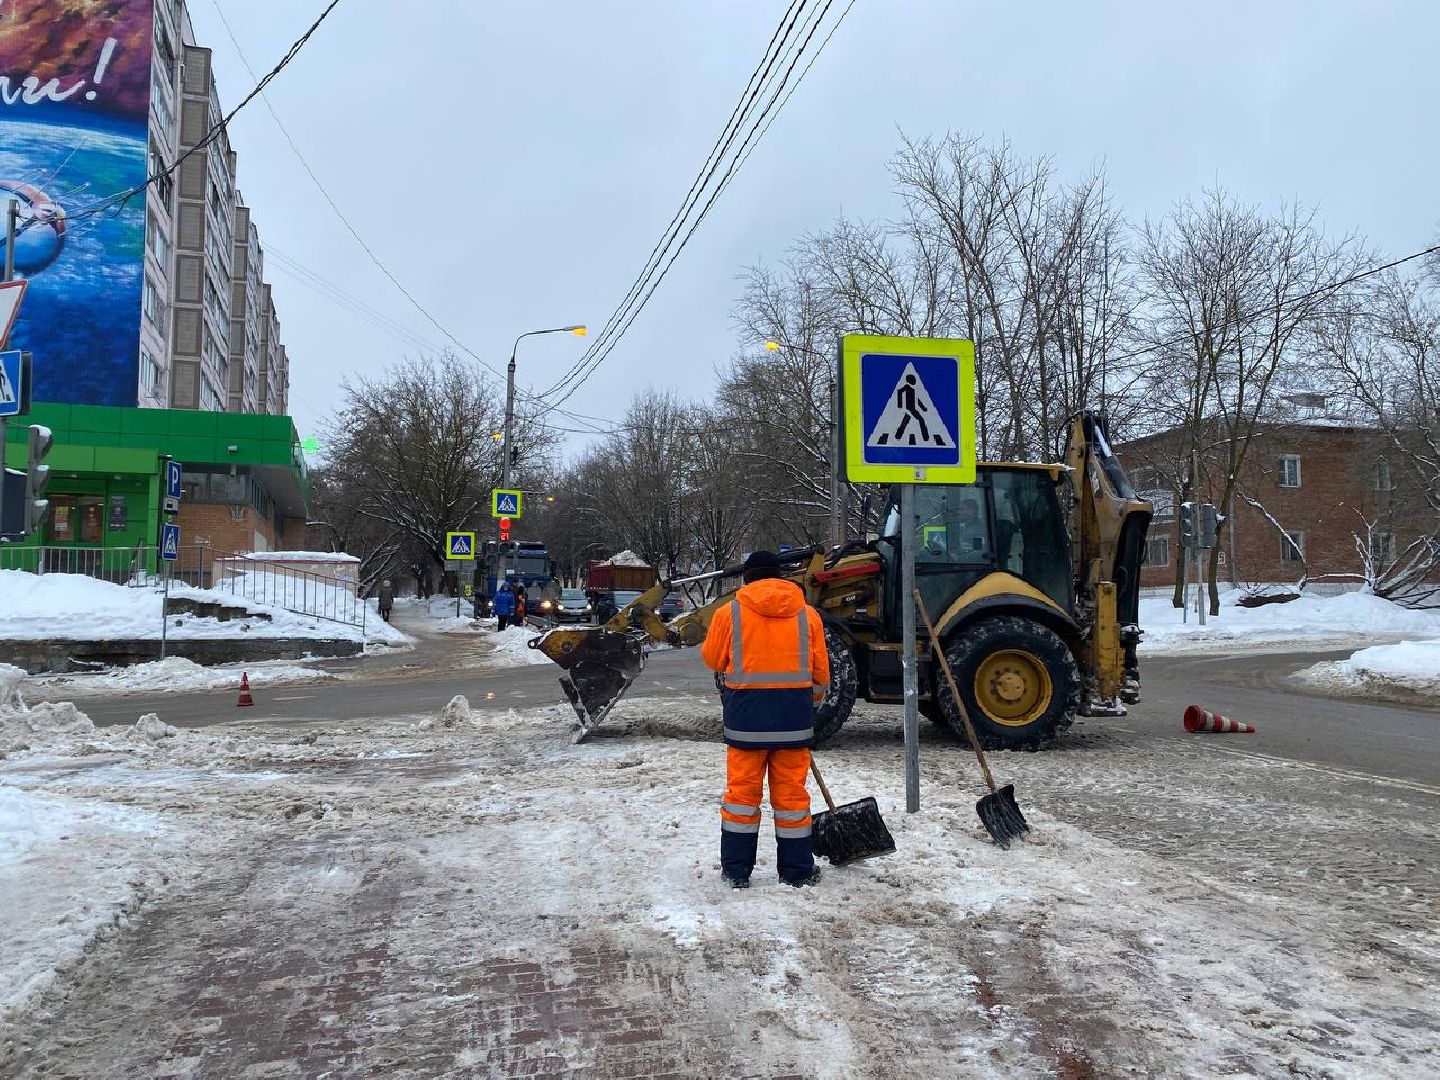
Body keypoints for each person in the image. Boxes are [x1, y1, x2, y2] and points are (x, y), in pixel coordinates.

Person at [701, 551, 830, 889]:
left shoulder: (728, 613)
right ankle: (797, 871)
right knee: (792, 799)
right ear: (779, 576)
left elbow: (713, 659)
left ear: (747, 579)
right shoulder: (808, 615)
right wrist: (806, 706)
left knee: (742, 797)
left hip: (745, 724)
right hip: (793, 722)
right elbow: (821, 676)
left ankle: (736, 871)